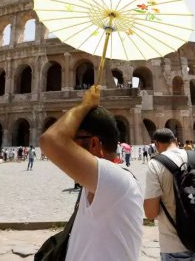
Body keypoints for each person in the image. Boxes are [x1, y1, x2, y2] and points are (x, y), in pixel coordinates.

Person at [39, 86, 143, 261]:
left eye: (73, 141)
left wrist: (85, 105)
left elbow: (50, 140)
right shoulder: (97, 184)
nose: (69, 147)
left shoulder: (117, 181)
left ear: (94, 143)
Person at [144, 128, 195, 261]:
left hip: (173, 245)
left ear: (156, 144)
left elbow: (151, 213)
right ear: (175, 140)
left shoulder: (155, 164)